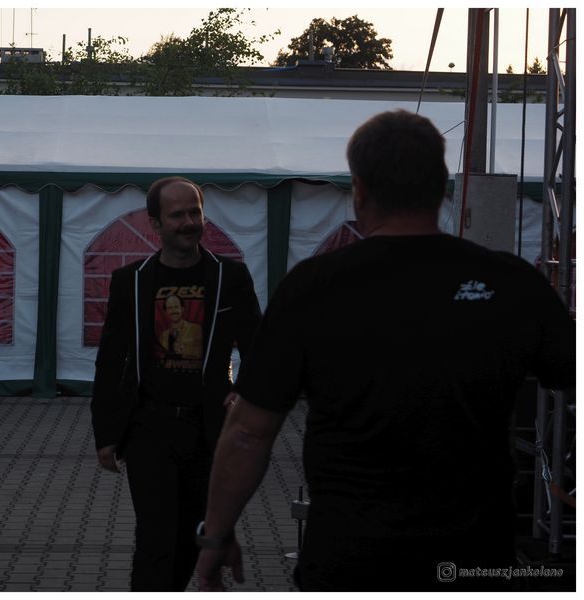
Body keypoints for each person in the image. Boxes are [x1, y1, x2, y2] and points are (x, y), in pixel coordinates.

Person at [196, 110, 576, 592]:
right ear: (441, 187)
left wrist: (216, 535)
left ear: (359, 191)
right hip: (474, 561)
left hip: (350, 559)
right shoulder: (510, 281)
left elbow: (249, 432)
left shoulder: (313, 286)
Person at [91, 176, 262, 591]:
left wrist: (246, 402)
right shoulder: (131, 281)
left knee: (192, 536)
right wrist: (106, 434)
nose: (188, 222)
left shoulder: (230, 276)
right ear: (155, 224)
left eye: (194, 212)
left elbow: (257, 349)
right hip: (150, 427)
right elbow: (111, 360)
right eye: (177, 215)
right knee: (155, 539)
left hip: (208, 430)